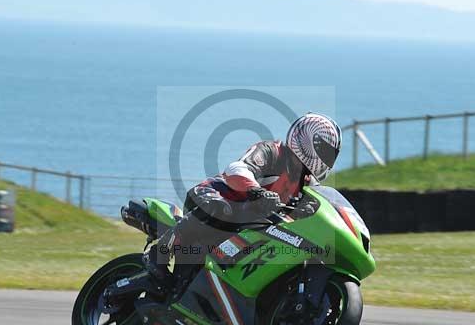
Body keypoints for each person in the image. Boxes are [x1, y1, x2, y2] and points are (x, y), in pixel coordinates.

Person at [144, 112, 342, 294]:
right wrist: (257, 191)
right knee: (222, 208)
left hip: (246, 222)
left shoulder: (307, 183)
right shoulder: (272, 152)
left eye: (330, 155)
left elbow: (316, 207)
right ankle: (160, 251)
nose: (326, 158)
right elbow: (237, 168)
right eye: (324, 150)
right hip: (213, 196)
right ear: (306, 140)